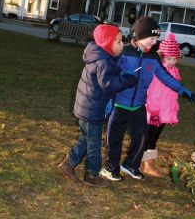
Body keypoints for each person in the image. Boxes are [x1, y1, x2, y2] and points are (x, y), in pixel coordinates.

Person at [100, 16, 195, 182]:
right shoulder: (123, 52)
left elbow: (165, 76)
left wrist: (183, 90)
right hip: (120, 104)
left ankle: (131, 164)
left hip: (138, 105)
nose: (154, 42)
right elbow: (108, 76)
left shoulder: (152, 57)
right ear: (140, 36)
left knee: (141, 136)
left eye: (156, 39)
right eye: (152, 38)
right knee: (115, 138)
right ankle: (111, 167)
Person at [57, 24, 136, 188]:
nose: (122, 45)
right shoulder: (103, 62)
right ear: (108, 44)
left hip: (88, 107)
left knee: (87, 138)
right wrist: (128, 80)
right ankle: (91, 175)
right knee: (94, 144)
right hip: (92, 109)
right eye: (119, 42)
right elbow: (108, 84)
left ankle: (68, 163)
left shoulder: (101, 55)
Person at [141, 32, 182, 177]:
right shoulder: (160, 72)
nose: (171, 61)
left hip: (165, 113)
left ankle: (145, 163)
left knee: (154, 138)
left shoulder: (174, 72)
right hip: (155, 113)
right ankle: (147, 164)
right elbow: (153, 94)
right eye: (169, 58)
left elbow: (173, 96)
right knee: (149, 138)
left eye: (174, 59)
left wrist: (173, 115)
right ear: (162, 57)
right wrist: (154, 112)